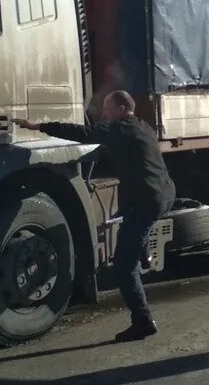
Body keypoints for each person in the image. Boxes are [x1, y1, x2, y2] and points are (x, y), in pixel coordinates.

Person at [14, 90, 176, 342]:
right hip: (163, 194)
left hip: (146, 200)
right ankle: (145, 255)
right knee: (134, 229)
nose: (103, 114)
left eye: (108, 109)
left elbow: (82, 133)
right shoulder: (142, 126)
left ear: (122, 109)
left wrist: (38, 127)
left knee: (124, 265)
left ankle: (142, 320)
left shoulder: (119, 128)